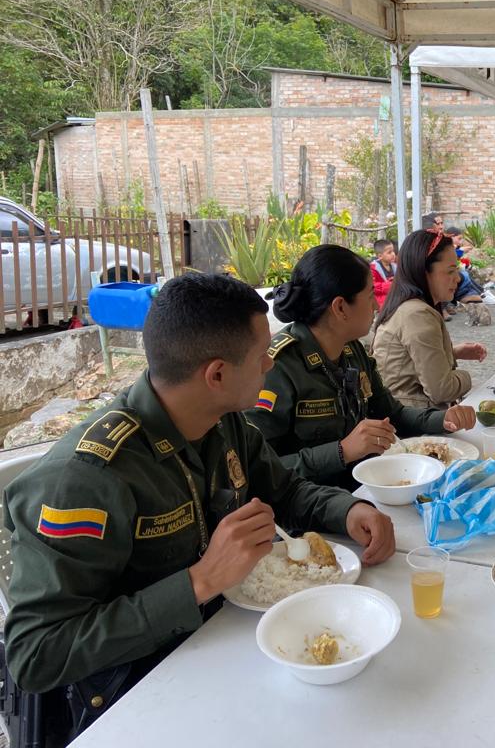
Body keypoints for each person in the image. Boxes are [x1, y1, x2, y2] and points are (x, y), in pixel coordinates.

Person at [2, 274, 396, 744]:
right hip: (140, 694)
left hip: (226, 643)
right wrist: (200, 582)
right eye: (260, 356)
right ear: (217, 374)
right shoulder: (87, 479)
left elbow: (285, 491)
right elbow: (36, 654)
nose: (271, 363)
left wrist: (348, 511)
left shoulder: (222, 421)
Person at [246, 245, 476, 488]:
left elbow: (392, 414)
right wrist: (341, 451)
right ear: (341, 307)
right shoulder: (278, 367)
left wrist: (443, 419)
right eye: (369, 297)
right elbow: (260, 469)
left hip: (369, 487)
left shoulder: (352, 350)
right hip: (313, 508)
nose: (376, 307)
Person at [371, 229, 487, 409]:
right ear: (424, 272)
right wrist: (467, 377)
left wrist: (452, 352)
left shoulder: (411, 307)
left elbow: (410, 360)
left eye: (457, 270)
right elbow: (441, 390)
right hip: (413, 424)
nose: (457, 278)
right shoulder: (416, 314)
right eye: (450, 271)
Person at [370, 238, 397, 308]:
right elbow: (372, 286)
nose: (393, 254)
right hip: (380, 298)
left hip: (393, 294)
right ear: (380, 256)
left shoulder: (394, 266)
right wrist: (389, 285)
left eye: (393, 251)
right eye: (389, 252)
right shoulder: (373, 268)